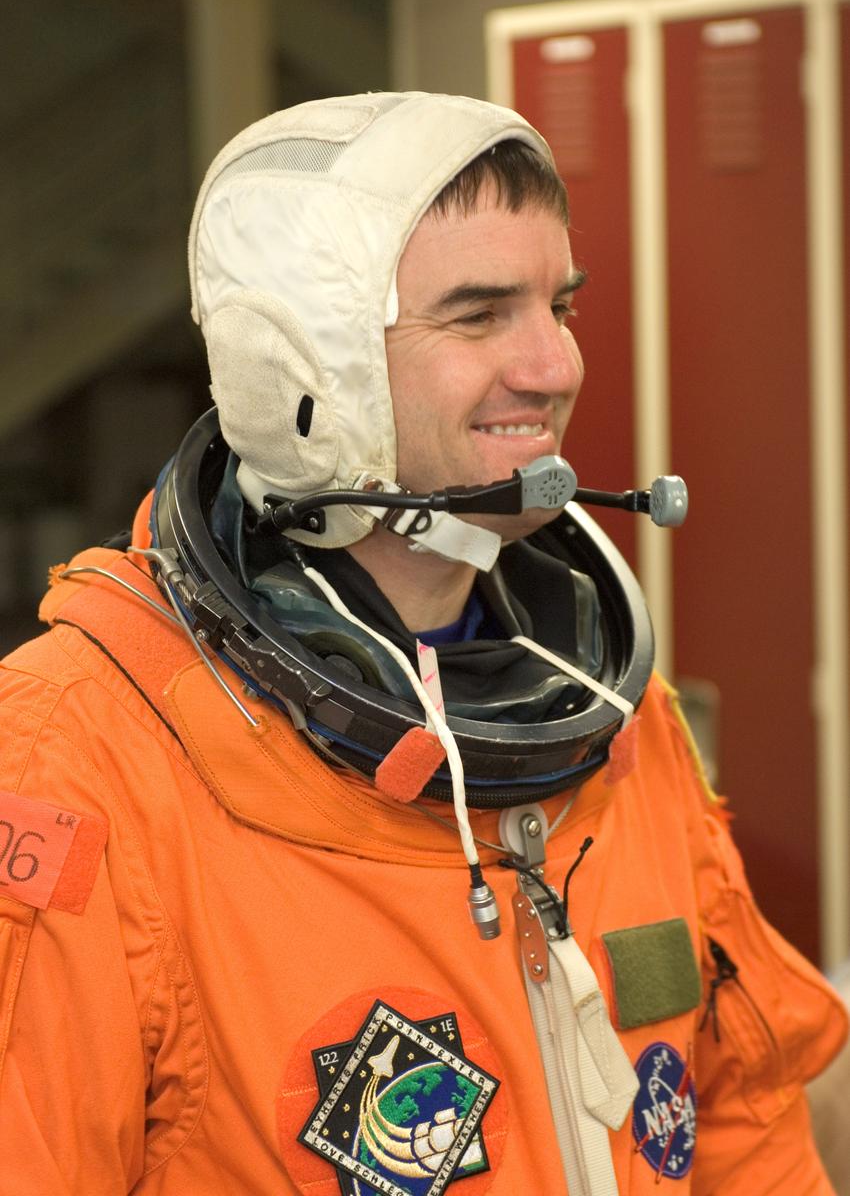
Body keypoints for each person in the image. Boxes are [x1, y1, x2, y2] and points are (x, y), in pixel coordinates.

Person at [0, 91, 845, 1196]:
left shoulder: (602, 706)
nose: (554, 365)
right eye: (479, 315)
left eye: (559, 304)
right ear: (303, 369)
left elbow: (743, 1122)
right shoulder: (76, 758)